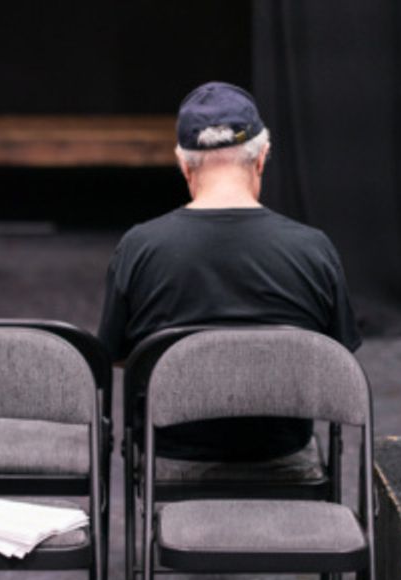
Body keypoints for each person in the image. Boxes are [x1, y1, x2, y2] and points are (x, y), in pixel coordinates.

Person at [97, 81, 362, 461]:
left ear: (184, 163)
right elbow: (335, 356)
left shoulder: (139, 247)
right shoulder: (313, 248)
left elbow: (122, 356)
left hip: (170, 446)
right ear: (262, 156)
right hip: (279, 446)